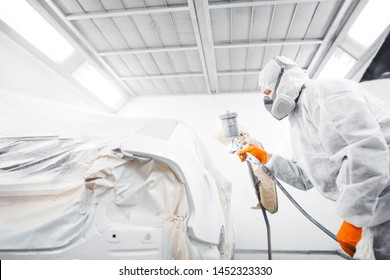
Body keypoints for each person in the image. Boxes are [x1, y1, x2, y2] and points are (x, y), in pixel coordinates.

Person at [237, 56, 390, 259]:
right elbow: (306, 177)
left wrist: (354, 219)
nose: (268, 101)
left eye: (267, 92)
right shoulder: (298, 119)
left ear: (284, 81)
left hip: (380, 204)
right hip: (374, 209)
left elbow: (365, 152)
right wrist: (266, 158)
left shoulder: (325, 93)